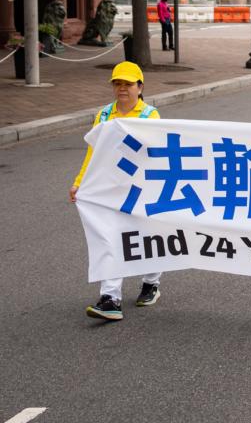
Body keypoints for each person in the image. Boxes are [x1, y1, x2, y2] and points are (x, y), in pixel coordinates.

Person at [71, 61, 163, 322]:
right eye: (117, 83)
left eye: (128, 84)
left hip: (141, 187)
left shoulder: (150, 116)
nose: (122, 89)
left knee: (146, 236)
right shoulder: (103, 115)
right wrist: (80, 182)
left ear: (140, 86)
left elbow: (155, 154)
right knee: (110, 238)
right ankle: (110, 298)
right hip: (109, 188)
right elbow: (93, 154)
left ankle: (151, 283)